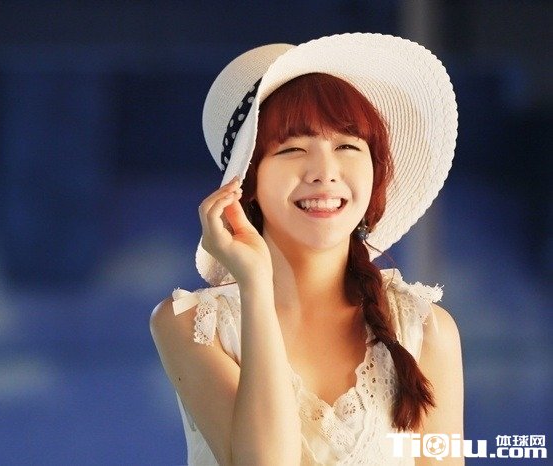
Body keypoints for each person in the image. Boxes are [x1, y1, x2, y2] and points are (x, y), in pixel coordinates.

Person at [150, 33, 463, 466]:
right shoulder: (193, 324)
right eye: (293, 148)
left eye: (347, 146)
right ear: (247, 183)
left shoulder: (425, 329)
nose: (324, 172)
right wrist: (255, 283)